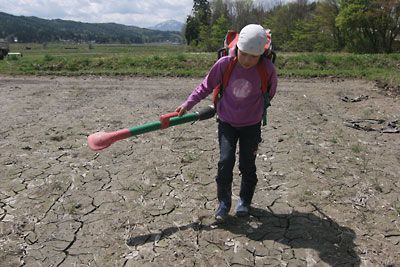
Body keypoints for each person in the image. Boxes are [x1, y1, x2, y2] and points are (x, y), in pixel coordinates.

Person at [175, 24, 278, 222]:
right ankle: (223, 204)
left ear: (262, 55)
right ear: (237, 48)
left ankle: (244, 202)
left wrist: (253, 110)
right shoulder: (224, 64)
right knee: (225, 161)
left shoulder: (267, 69)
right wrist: (188, 104)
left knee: (248, 165)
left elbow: (269, 94)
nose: (248, 61)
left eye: (253, 57)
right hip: (227, 123)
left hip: (251, 125)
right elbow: (205, 86)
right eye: (244, 54)